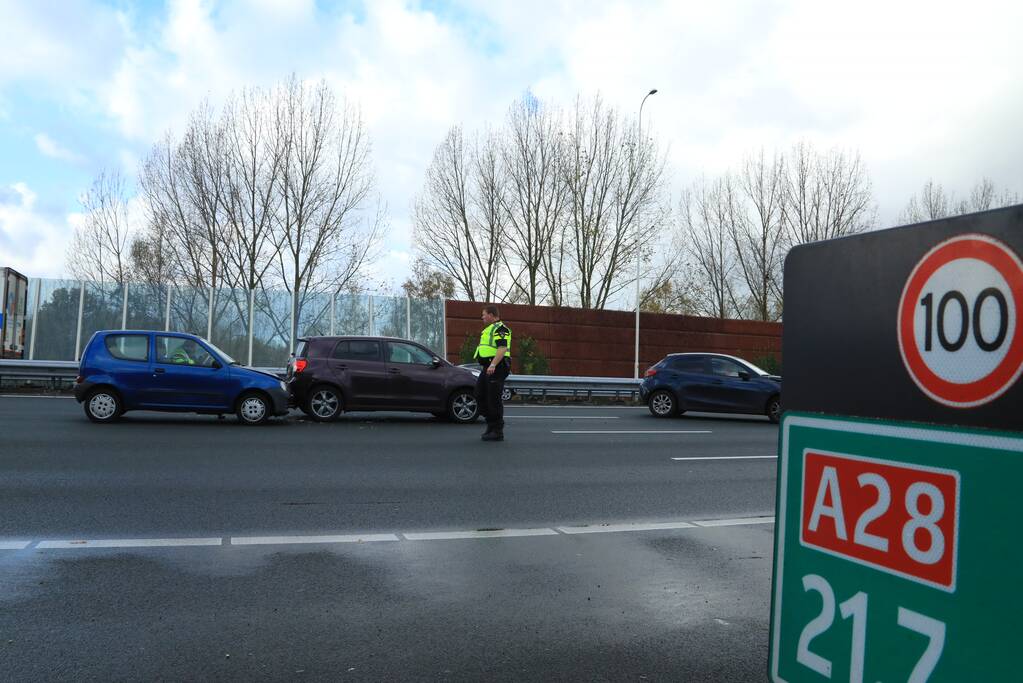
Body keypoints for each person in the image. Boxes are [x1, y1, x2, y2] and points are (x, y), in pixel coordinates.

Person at [474, 305, 511, 442]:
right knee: (479, 394)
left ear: (491, 315)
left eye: (484, 314)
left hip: (497, 367)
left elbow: (502, 348)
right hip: (488, 367)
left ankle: (497, 430)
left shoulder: (501, 329)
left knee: (493, 399)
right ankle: (491, 424)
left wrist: (493, 364)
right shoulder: (490, 329)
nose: (482, 317)